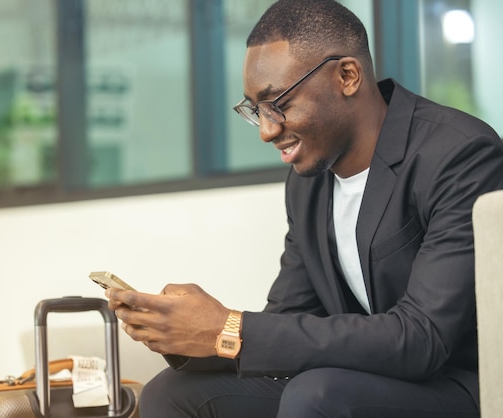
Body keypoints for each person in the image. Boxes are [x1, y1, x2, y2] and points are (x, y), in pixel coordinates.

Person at [106, 0, 503, 416]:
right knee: (172, 392)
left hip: (461, 387)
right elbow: (290, 321)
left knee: (316, 394)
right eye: (256, 109)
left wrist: (231, 327)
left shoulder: (458, 154)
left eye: (278, 103)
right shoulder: (307, 183)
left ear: (347, 76)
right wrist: (187, 332)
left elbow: (423, 338)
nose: (266, 129)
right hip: (358, 384)